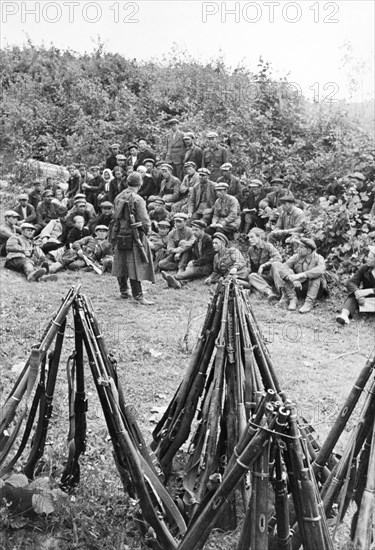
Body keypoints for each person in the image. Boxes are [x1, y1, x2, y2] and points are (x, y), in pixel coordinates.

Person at [111, 172, 155, 305]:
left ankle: (124, 291)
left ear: (127, 183)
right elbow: (145, 220)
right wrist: (147, 231)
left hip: (120, 233)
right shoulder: (137, 199)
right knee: (135, 264)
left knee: (121, 262)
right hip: (135, 235)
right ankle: (138, 296)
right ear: (140, 184)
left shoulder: (119, 196)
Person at [271, 238, 326, 313]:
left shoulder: (318, 258)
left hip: (314, 289)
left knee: (316, 276)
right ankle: (292, 299)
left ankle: (309, 302)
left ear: (309, 251)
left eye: (301, 247)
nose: (298, 249)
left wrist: (301, 275)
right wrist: (291, 278)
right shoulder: (296, 256)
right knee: (286, 270)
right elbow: (283, 267)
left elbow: (321, 269)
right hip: (297, 287)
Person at [162, 220, 214, 288]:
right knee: (191, 274)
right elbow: (195, 254)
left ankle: (174, 277)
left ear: (202, 230)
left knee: (192, 270)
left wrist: (194, 263)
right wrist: (192, 260)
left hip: (207, 266)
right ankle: (179, 283)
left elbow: (207, 258)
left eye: (196, 230)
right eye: (193, 230)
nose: (194, 232)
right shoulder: (196, 240)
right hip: (199, 264)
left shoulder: (208, 240)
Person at [336, 245, 375, 325]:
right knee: (353, 294)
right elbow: (351, 282)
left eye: (370, 258)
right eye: (368, 257)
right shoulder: (365, 268)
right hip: (367, 299)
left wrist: (368, 291)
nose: (367, 259)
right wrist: (358, 293)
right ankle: (344, 316)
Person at [246, 228, 282, 298]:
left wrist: (263, 266)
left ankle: (281, 292)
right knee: (251, 276)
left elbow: (278, 258)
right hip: (263, 277)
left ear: (259, 237)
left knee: (275, 265)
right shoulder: (250, 250)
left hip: (274, 275)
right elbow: (249, 266)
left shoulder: (268, 246)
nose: (249, 239)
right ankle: (269, 292)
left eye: (252, 237)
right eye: (249, 237)